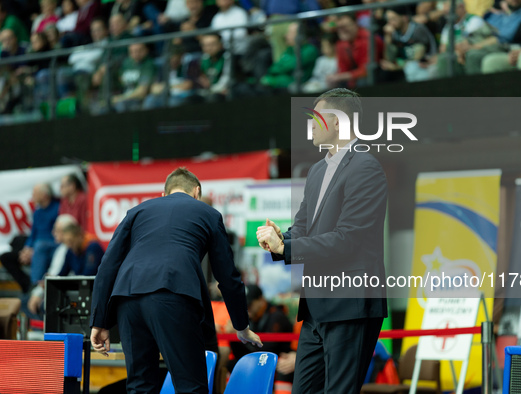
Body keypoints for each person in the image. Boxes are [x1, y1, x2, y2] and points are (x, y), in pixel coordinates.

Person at [257, 88, 388, 393]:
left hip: (349, 302)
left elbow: (348, 240)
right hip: (317, 304)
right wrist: (281, 239)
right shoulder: (317, 170)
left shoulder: (365, 167)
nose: (310, 125)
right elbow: (303, 227)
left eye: (316, 118)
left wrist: (286, 247)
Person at [90, 167, 263, 394]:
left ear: (164, 194)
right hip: (173, 295)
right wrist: (241, 326)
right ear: (196, 192)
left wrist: (99, 321)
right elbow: (228, 277)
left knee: (140, 387)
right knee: (190, 387)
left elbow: (107, 266)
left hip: (127, 299)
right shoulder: (208, 213)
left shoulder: (136, 211)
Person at [1, 183, 59, 293]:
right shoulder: (37, 212)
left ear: (44, 195)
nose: (32, 196)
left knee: (39, 246)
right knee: (6, 256)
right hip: (36, 247)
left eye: (35, 193)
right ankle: (27, 285)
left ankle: (35, 285)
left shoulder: (57, 209)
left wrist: (34, 250)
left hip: (50, 247)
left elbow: (57, 236)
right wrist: (27, 249)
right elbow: (33, 234)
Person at [26, 214, 78, 318]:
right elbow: (54, 276)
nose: (53, 233)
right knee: (25, 300)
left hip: (66, 291)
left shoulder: (68, 249)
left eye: (57, 230)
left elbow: (58, 277)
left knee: (34, 303)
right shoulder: (61, 249)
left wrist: (39, 292)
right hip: (56, 287)